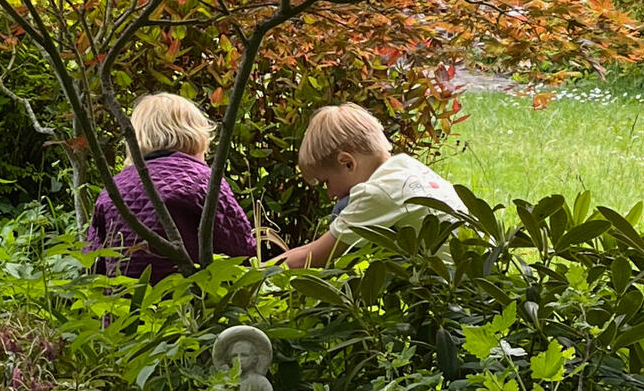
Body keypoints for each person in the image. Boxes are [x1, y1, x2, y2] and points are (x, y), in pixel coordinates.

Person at [85, 92, 255, 281]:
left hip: (123, 304)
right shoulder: (203, 180)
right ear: (195, 133)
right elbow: (242, 252)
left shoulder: (112, 189)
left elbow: (92, 264)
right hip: (190, 302)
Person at [274, 102, 463, 268]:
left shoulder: (377, 193)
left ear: (347, 163)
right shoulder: (406, 166)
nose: (330, 194)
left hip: (451, 288)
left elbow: (313, 257)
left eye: (326, 183)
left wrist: (254, 273)